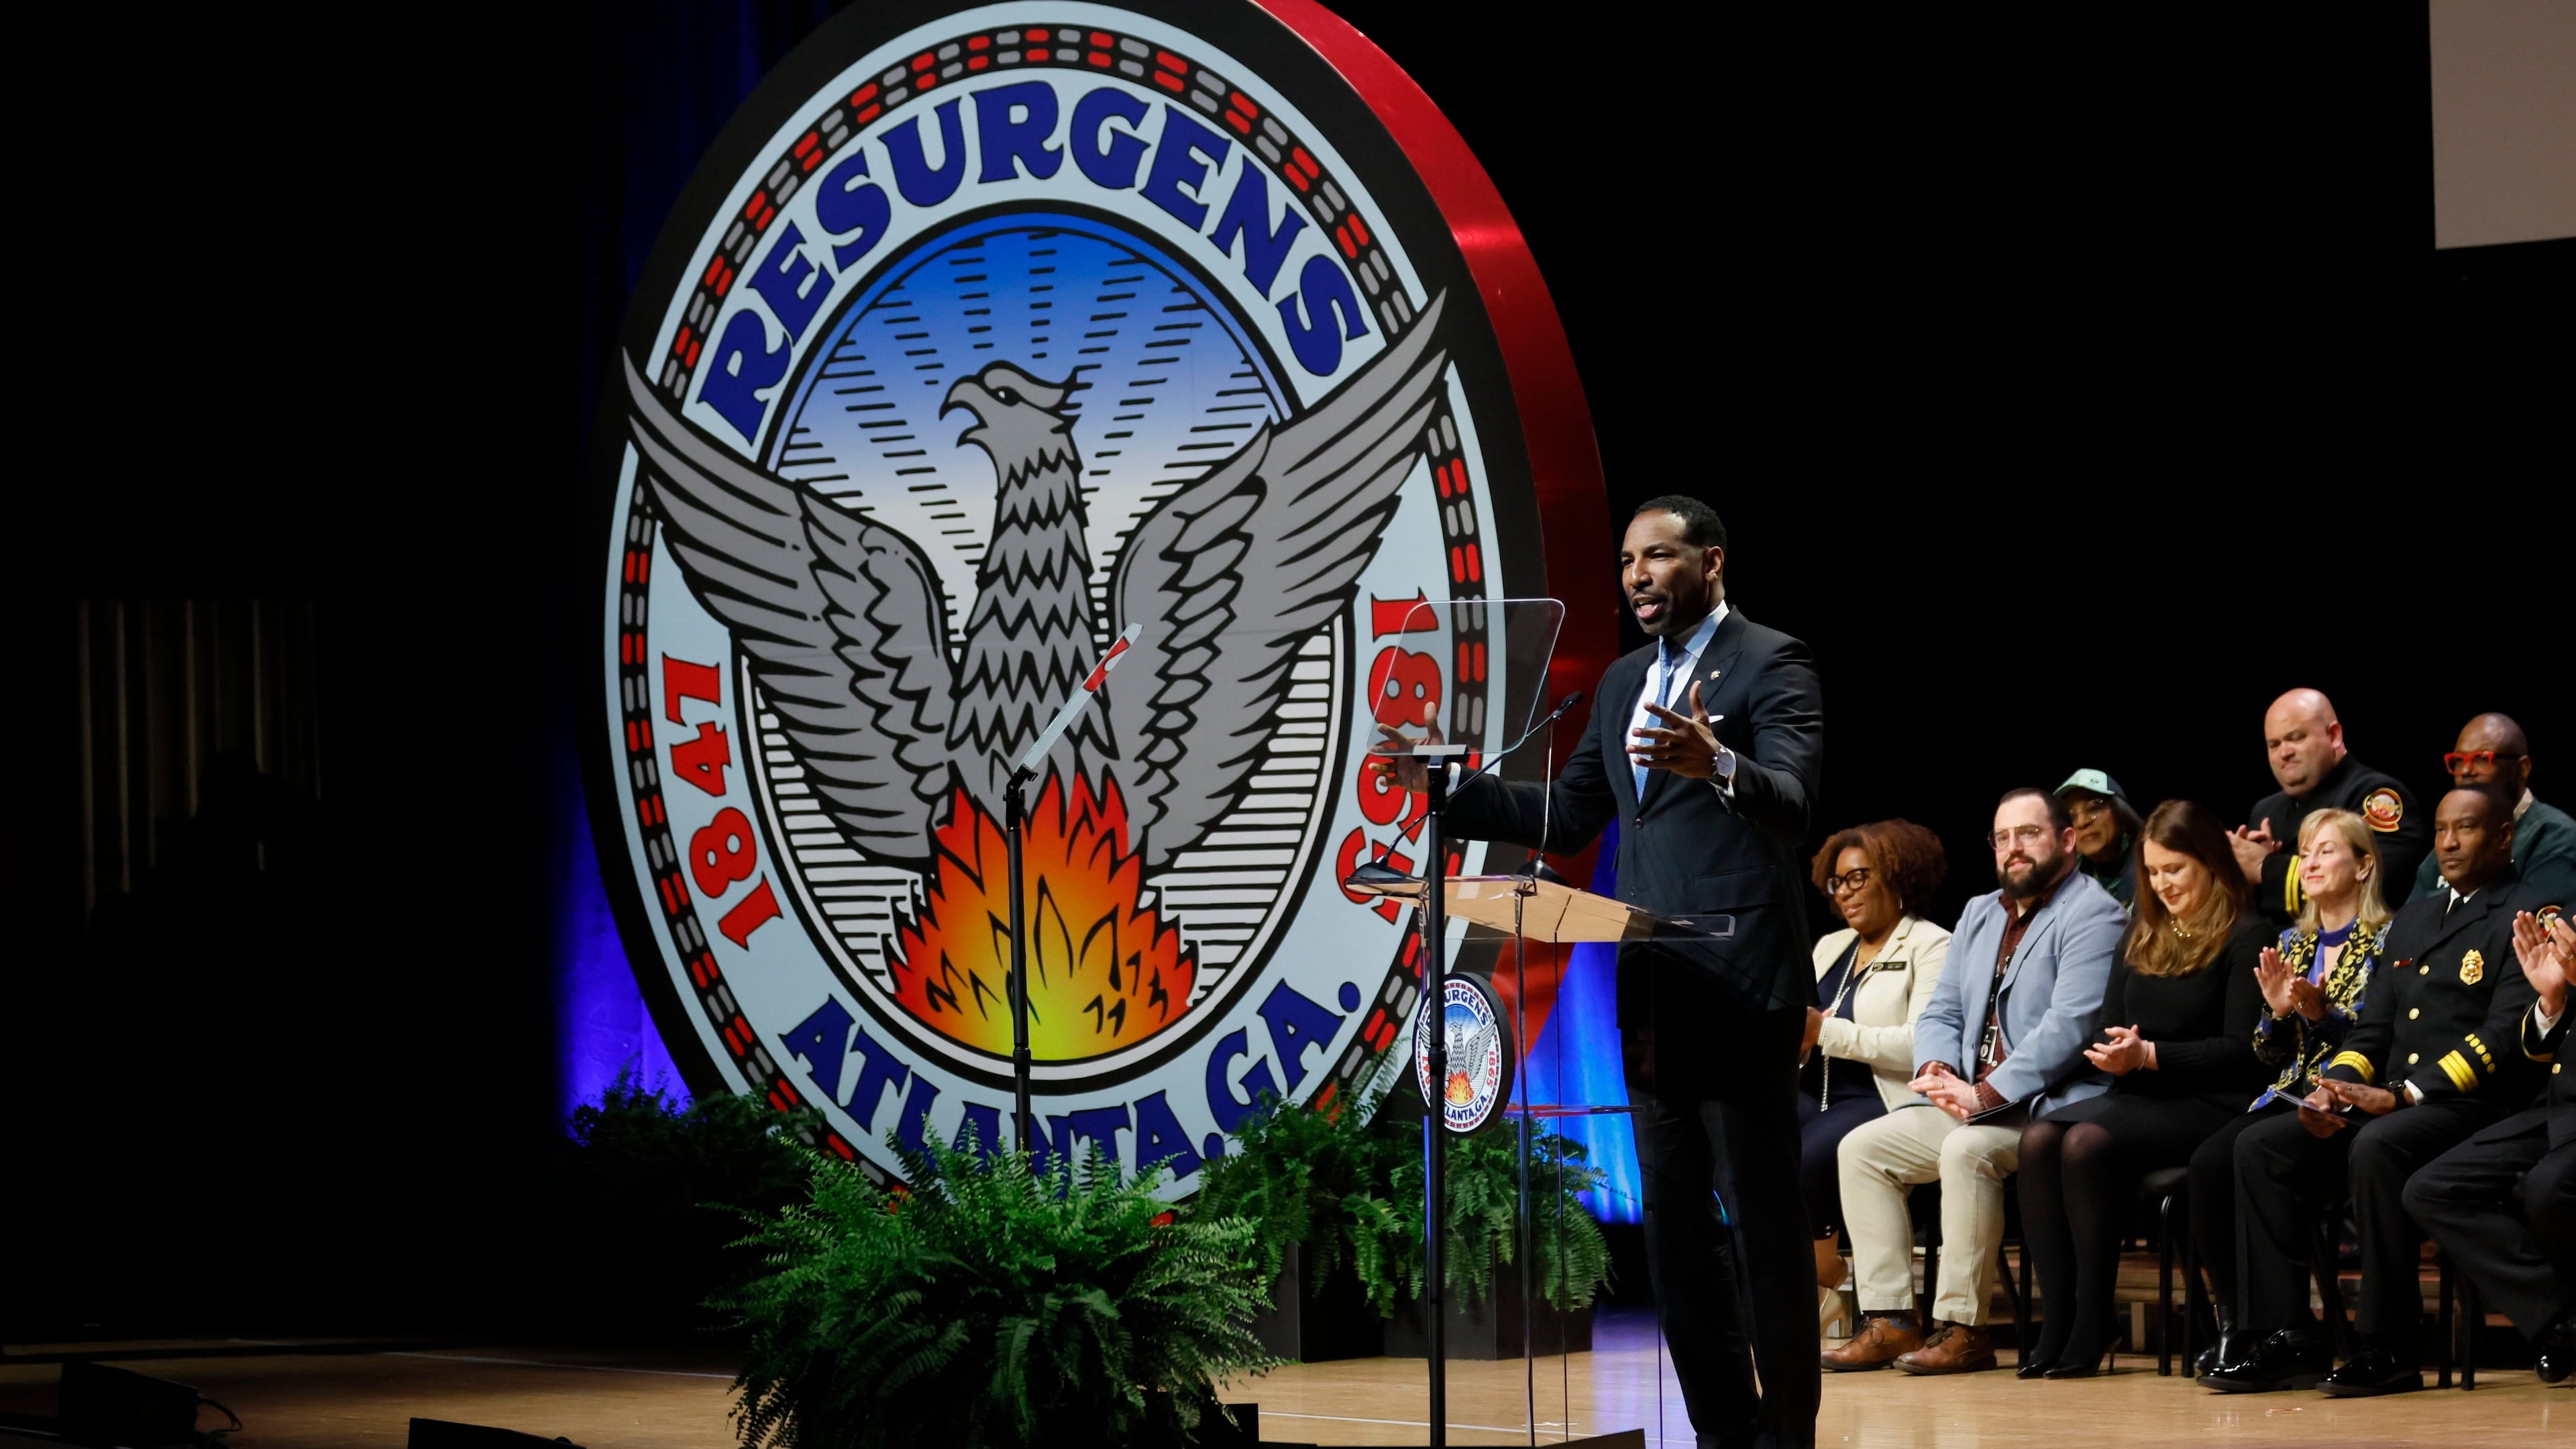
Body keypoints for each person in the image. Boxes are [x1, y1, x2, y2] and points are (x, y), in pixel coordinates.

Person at [1379, 494, 1823, 1447]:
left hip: (1743, 985)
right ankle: (1725, 1434)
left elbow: (1794, 805)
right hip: (1655, 992)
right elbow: (1573, 815)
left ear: (1711, 560)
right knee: (1672, 1236)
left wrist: (1721, 765)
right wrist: (1450, 791)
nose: (1637, 578)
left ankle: (1788, 1436)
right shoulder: (1622, 683)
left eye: (1658, 558)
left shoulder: (1771, 660)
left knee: (1764, 1232)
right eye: (1627, 562)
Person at [2204, 782, 2544, 1397]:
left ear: (2502, 837)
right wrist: (2339, 1086)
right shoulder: (2417, 917)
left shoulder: (2528, 912)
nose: (2446, 842)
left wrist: (2408, 1092)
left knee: (2379, 1145)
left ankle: (2387, 1343)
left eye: (2464, 829)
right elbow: (2375, 1027)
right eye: (2440, 829)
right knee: (2260, 1148)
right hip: (2395, 1097)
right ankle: (2286, 1336)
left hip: (2473, 1105)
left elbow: (2502, 1038)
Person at [1819, 788, 2127, 1376]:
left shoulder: (2095, 913)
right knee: (1862, 1148)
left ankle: (1964, 1328)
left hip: (2047, 1108)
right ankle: (1890, 1319)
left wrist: (1983, 1094)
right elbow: (1941, 1011)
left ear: (2066, 841)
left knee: (1966, 1151)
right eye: (2003, 837)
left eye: (2029, 834)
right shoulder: (1981, 912)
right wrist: (1936, 1066)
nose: (2013, 849)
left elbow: (2069, 1026)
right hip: (1968, 1098)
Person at [2013, 800, 2271, 1377]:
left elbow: (2243, 1051)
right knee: (2036, 1142)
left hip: (2212, 1102)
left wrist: (2151, 1056)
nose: (2163, 884)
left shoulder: (2246, 932)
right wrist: (2122, 1052)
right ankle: (2057, 1321)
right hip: (2142, 1096)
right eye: (2153, 873)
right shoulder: (2145, 929)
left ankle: (2092, 1321)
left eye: (2175, 869)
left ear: (2208, 862)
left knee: (2083, 1141)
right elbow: (2112, 1020)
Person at [2187, 808, 2392, 1374]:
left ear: (2364, 865)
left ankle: (2289, 1328)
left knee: (2256, 1151)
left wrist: (2323, 1016)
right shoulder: (2290, 943)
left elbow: (2382, 1036)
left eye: (2328, 850)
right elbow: (2266, 1054)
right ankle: (2240, 1322)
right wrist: (2278, 1016)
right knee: (2206, 1162)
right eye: (2305, 851)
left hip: (2351, 1103)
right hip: (2290, 1094)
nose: (2312, 862)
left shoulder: (2388, 940)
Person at [2404, 908, 2575, 1384]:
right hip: (2554, 1107)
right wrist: (2552, 1002)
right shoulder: (2574, 920)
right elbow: (2540, 1052)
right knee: (2431, 1189)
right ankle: (2558, 1318)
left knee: (2547, 1191)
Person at [1799, 820, 1952, 1332]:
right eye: (1837, 882)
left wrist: (1826, 1032)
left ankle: (1822, 1279)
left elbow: (1919, 1045)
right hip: (1811, 1089)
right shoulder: (1831, 946)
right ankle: (1815, 1282)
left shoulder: (1931, 946)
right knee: (1736, 1144)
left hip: (1883, 1097)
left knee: (1805, 1155)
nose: (1845, 893)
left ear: (1897, 876)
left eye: (1858, 878)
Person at [2231, 688, 2429, 927]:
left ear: (2334, 735)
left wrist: (2265, 868)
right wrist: (2240, 876)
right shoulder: (2265, 811)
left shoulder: (2376, 796)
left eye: (2296, 738)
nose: (2285, 753)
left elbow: (2374, 889)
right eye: (2274, 745)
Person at [2408, 713, 2576, 906]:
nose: (2465, 771)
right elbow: (2408, 925)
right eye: (2459, 761)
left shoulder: (2555, 837)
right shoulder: (2445, 848)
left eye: (2481, 759)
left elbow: (2530, 925)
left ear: (2523, 768)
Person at [2057, 768, 2141, 910]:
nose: (2082, 822)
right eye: (2071, 817)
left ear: (2121, 810)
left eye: (2094, 808)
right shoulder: (2065, 880)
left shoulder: (2153, 865)